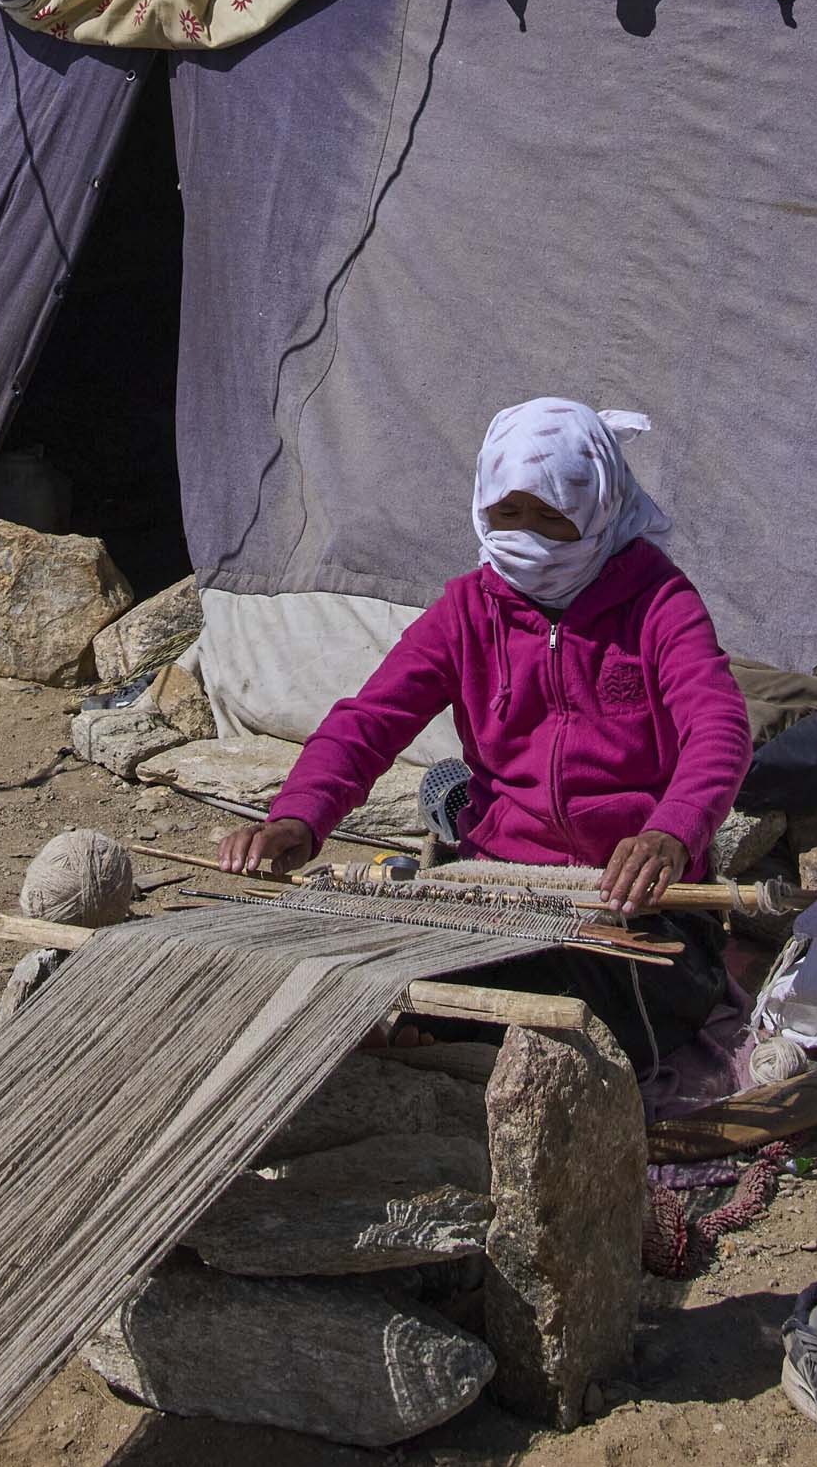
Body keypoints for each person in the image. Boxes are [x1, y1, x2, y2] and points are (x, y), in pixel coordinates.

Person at [217, 399, 754, 1039]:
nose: (526, 535)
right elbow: (370, 720)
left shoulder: (659, 603)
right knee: (360, 963)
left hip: (637, 904)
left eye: (552, 518)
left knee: (616, 999)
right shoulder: (468, 611)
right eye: (509, 513)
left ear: (600, 508)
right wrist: (296, 819)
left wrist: (672, 830)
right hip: (499, 889)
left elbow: (718, 726)